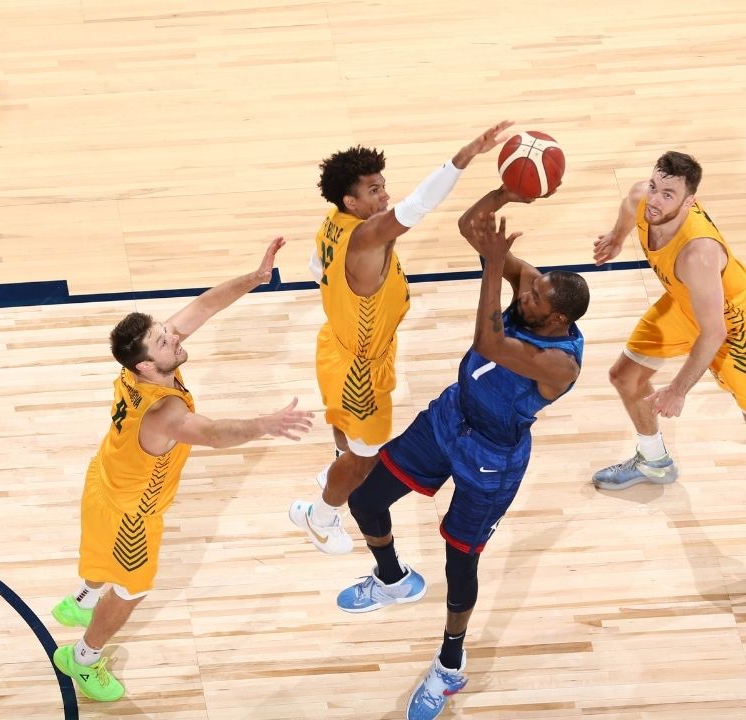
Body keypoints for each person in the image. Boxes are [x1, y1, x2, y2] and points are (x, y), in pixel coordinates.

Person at [335, 189, 589, 719]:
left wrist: (494, 269)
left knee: (459, 560)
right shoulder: (535, 289)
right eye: (530, 286)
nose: (527, 295)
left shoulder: (560, 363)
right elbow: (469, 224)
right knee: (366, 499)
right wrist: (504, 195)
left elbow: (489, 343)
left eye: (537, 298)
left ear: (559, 318)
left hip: (491, 459)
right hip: (448, 418)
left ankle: (449, 662)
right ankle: (392, 578)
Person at [50, 237, 315, 703]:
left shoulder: (140, 367)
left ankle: (83, 601)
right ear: (148, 364)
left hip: (103, 480)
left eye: (165, 331)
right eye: (164, 338)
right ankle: (83, 659)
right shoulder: (162, 413)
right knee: (132, 589)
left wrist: (253, 279)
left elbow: (203, 308)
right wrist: (266, 424)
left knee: (98, 561)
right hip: (133, 514)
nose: (174, 335)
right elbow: (214, 434)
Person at [289, 121, 514, 554]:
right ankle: (320, 516)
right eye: (374, 191)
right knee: (368, 455)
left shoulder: (333, 222)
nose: (385, 196)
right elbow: (417, 206)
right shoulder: (367, 236)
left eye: (383, 187)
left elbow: (316, 268)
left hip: (335, 345)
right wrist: (464, 156)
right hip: (361, 368)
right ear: (351, 200)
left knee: (346, 432)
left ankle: (338, 466)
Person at [591, 151, 746, 490]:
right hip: (684, 305)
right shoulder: (640, 198)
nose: (655, 200)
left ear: (689, 202)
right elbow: (629, 208)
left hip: (731, 321)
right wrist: (616, 239)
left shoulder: (698, 253)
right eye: (654, 186)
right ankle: (654, 461)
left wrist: (678, 390)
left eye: (668, 194)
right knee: (625, 376)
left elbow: (714, 331)